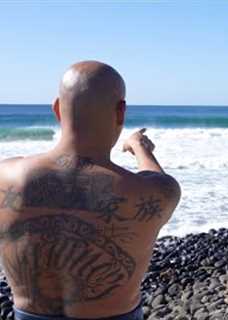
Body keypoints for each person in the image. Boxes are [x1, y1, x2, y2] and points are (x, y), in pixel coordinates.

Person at [0, 61, 181, 320]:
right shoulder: (156, 192)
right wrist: (140, 147)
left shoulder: (5, 175)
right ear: (121, 112)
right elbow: (155, 178)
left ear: (57, 109)